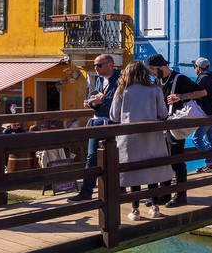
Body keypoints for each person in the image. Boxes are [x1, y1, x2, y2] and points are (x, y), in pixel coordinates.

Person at [109, 60, 170, 220]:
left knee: (133, 173)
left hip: (130, 138)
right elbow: (163, 114)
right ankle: (155, 207)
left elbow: (114, 116)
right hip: (152, 136)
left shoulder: (122, 90)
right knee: (152, 172)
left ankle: (135, 210)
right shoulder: (155, 90)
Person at [145, 54, 201, 207]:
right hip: (162, 124)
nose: (151, 73)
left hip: (175, 123)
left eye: (152, 70)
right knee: (163, 160)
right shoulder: (158, 80)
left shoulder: (179, 78)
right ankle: (164, 194)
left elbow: (202, 92)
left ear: (161, 67)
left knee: (177, 160)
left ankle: (181, 195)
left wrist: (181, 96)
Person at [71, 54, 120, 202]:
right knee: (91, 157)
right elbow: (99, 98)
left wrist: (102, 99)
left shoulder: (121, 79)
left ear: (110, 65)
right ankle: (87, 191)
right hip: (98, 121)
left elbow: (123, 100)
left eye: (99, 65)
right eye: (94, 66)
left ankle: (119, 189)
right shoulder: (99, 80)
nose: (95, 68)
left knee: (116, 157)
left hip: (114, 122)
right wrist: (91, 103)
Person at [190, 57, 212, 173]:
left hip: (205, 112)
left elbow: (197, 94)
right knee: (210, 139)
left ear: (198, 67)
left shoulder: (203, 78)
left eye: (195, 66)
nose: (195, 68)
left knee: (196, 138)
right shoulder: (211, 77)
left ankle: (210, 163)